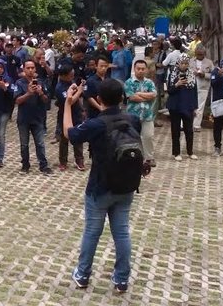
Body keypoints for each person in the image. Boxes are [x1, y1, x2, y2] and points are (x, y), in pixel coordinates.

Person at [63, 78, 140, 293]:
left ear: (99, 99)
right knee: (122, 233)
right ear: (121, 98)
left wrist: (68, 104)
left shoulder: (96, 124)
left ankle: (83, 274)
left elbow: (69, 133)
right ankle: (122, 279)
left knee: (92, 232)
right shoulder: (133, 120)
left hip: (100, 187)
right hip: (126, 186)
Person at [12, 60, 53, 175]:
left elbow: (46, 101)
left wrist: (40, 93)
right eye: (28, 68)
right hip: (23, 118)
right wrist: (28, 93)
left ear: (35, 69)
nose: (30, 70)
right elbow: (17, 100)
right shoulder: (19, 83)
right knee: (24, 144)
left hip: (38, 118)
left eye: (32, 68)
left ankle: (43, 166)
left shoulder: (41, 82)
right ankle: (25, 165)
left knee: (40, 143)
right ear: (24, 69)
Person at [125, 60, 157, 166]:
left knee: (148, 136)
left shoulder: (149, 82)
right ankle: (133, 157)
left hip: (147, 114)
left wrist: (139, 93)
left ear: (146, 70)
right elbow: (131, 97)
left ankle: (149, 158)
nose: (140, 71)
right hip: (133, 115)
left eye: (143, 69)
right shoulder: (129, 82)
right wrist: (145, 97)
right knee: (133, 137)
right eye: (138, 69)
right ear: (134, 69)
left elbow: (153, 94)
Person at [167, 54, 198, 161]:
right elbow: (170, 91)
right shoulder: (172, 74)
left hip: (188, 106)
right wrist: (177, 84)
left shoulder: (192, 75)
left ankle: (190, 152)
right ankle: (176, 153)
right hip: (175, 106)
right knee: (175, 130)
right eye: (182, 63)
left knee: (189, 130)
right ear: (178, 63)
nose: (184, 66)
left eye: (186, 63)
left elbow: (195, 92)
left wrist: (195, 107)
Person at [55, 64, 85, 171]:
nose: (73, 76)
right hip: (65, 116)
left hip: (77, 115)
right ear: (63, 75)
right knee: (64, 139)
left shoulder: (71, 83)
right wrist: (79, 91)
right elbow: (70, 101)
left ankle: (79, 160)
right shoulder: (59, 88)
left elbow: (77, 99)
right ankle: (63, 161)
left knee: (78, 138)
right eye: (70, 74)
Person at [191, 45, 214, 131]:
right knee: (190, 105)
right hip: (191, 86)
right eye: (198, 54)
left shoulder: (209, 62)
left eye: (201, 54)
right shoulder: (190, 61)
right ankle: (187, 123)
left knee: (200, 107)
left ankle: (196, 125)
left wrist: (204, 75)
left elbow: (213, 75)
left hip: (203, 86)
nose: (199, 56)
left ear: (204, 54)